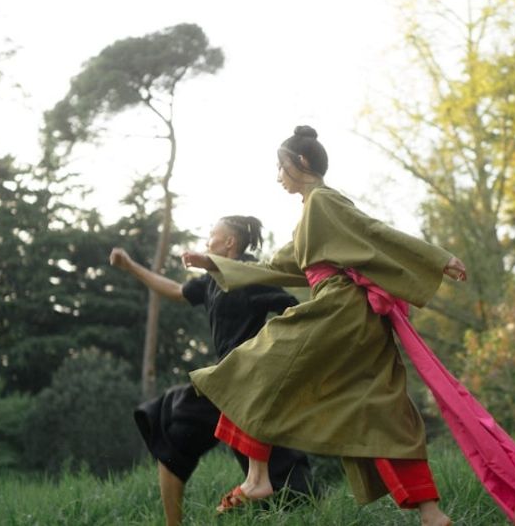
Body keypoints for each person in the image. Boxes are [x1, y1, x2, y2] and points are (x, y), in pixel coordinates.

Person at [182, 126, 465, 526]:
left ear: (301, 163)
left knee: (248, 367)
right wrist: (213, 263)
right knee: (379, 408)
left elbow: (374, 232)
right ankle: (431, 513)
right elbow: (279, 266)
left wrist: (437, 258)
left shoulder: (322, 203)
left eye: (280, 168)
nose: (277, 177)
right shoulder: (312, 214)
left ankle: (257, 477)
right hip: (361, 322)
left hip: (339, 311)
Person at [110, 215, 312, 526]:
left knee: (292, 486)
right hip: (221, 385)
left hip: (249, 386)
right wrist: (131, 267)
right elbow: (178, 292)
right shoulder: (211, 280)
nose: (208, 240)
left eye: (212, 234)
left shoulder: (250, 275)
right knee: (169, 423)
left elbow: (291, 309)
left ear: (230, 242)